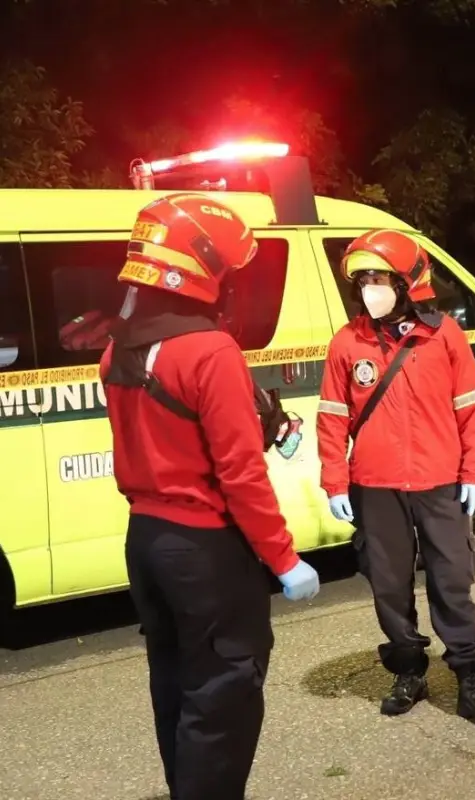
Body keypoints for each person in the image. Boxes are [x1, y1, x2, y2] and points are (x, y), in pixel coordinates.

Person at [100, 193, 320, 800]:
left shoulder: (118, 350)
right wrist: (284, 559)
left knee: (174, 685)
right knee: (222, 696)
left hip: (146, 542)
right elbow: (240, 474)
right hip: (205, 550)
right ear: (202, 268)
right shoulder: (211, 351)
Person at [316, 228, 475, 731]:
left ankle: (471, 679)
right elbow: (333, 419)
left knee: (453, 583)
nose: (369, 289)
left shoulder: (444, 335)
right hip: (375, 486)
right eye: (362, 280)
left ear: (408, 283)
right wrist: (335, 482)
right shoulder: (347, 342)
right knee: (389, 587)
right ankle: (408, 672)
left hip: (440, 482)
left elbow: (472, 408)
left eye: (379, 278)